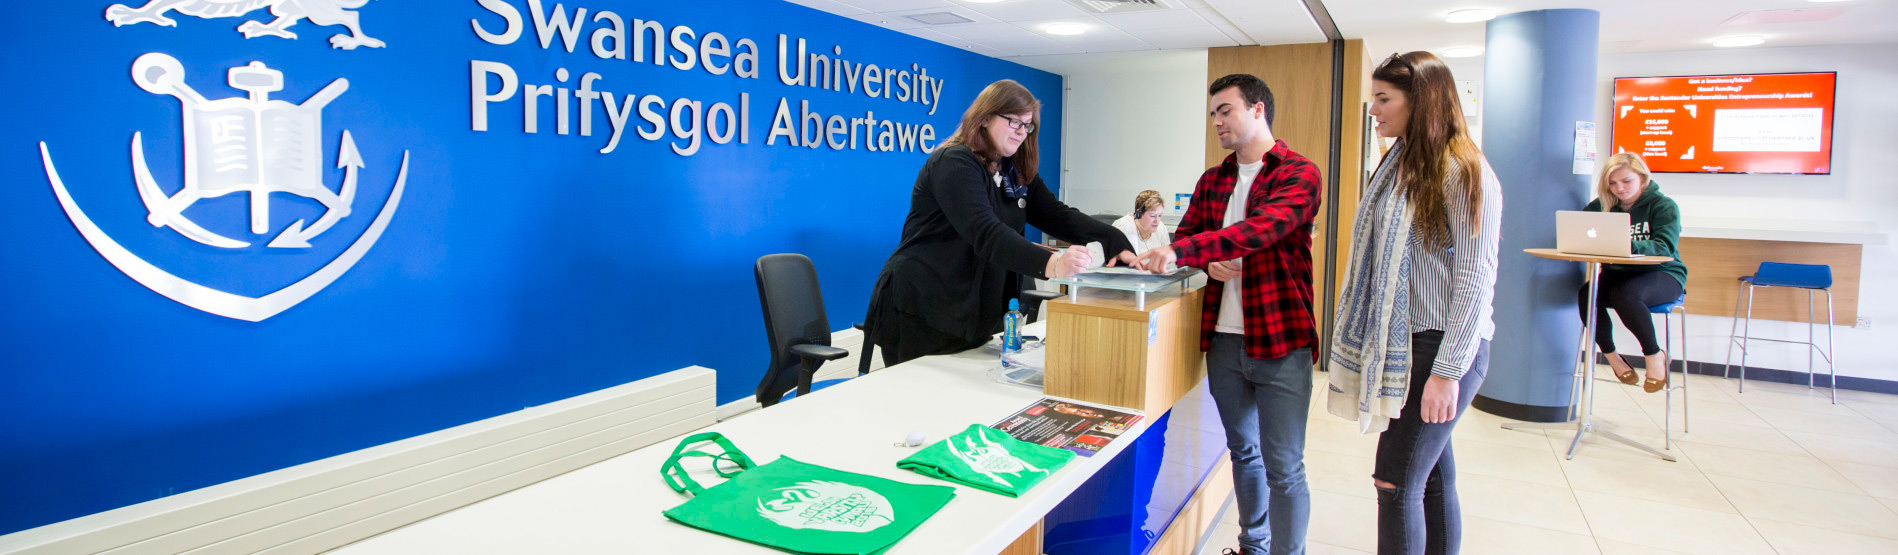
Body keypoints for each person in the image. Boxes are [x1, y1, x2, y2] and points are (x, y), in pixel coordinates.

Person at [1135, 74, 1321, 555]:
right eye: (1213, 113)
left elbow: (1262, 229)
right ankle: (1253, 545)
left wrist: (1191, 249)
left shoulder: (1299, 173)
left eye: (1226, 110)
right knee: (1244, 452)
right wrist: (1196, 256)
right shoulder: (1213, 179)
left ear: (1258, 110)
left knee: (1284, 465)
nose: (1216, 121)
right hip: (1224, 341)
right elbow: (1188, 239)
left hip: (1281, 343)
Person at [1325, 51, 1501, 555]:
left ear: (1420, 100)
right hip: (1410, 341)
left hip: (1444, 348)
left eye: (1384, 99)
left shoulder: (1462, 171)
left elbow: (1475, 278)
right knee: (1432, 479)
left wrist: (1447, 371)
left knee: (1395, 481)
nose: (1374, 110)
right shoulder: (1401, 164)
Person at [862, 79, 1136, 368]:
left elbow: (1055, 214)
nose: (1021, 132)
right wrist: (1053, 264)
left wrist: (1112, 238)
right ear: (984, 118)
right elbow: (987, 233)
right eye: (1013, 122)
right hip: (925, 303)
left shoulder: (1012, 167)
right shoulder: (955, 162)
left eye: (1027, 125)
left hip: (974, 309)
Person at [1581, 152, 1687, 393]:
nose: (1619, 188)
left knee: (1625, 295)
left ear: (1642, 178)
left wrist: (1624, 244)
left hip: (1663, 274)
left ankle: (1654, 355)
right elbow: (1580, 227)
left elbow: (1664, 247)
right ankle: (1613, 357)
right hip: (1619, 274)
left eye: (1626, 181)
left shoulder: (1664, 206)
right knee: (1587, 295)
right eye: (1612, 183)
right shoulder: (1602, 206)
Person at [1113, 190, 1173, 256]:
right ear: (1139, 214)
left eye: (1160, 215)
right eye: (1152, 215)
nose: (1157, 221)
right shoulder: (1123, 227)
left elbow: (1167, 255)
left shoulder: (1161, 227)